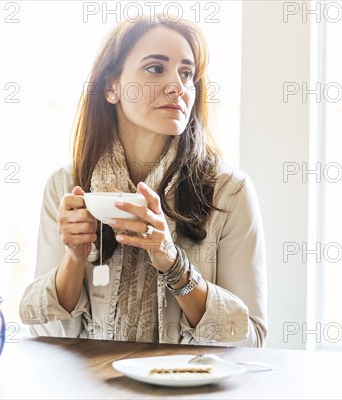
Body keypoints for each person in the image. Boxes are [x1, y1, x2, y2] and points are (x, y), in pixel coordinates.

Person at [19, 14, 267, 347]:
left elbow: (250, 338)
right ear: (111, 86)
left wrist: (172, 262)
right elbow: (46, 332)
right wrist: (74, 257)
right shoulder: (65, 186)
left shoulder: (229, 192)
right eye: (155, 68)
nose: (177, 87)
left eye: (186, 73)